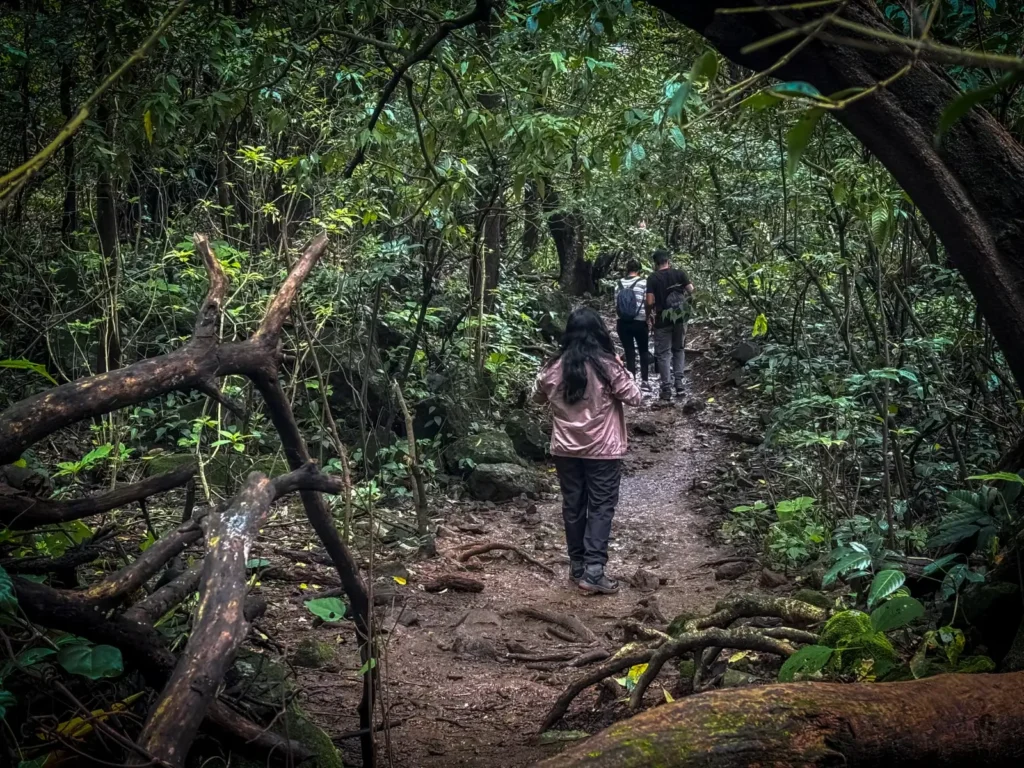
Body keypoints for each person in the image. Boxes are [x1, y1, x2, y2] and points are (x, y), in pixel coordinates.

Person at [533, 307, 642, 594]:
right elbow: (635, 397)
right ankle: (594, 571)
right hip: (603, 450)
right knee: (601, 507)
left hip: (565, 450)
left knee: (573, 506)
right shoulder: (607, 366)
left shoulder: (552, 367)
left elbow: (536, 398)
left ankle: (578, 566)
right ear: (598, 334)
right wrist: (621, 366)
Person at [646, 248, 694, 401]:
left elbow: (650, 301)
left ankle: (666, 388)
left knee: (664, 353)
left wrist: (649, 316)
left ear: (655, 263)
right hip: (680, 319)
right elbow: (691, 290)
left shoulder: (652, 278)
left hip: (662, 320)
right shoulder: (679, 273)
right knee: (679, 349)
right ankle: (679, 384)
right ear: (668, 261)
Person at [614, 258, 651, 392]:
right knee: (643, 351)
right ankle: (645, 382)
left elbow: (616, 304)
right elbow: (648, 302)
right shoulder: (644, 283)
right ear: (639, 269)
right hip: (640, 322)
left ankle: (632, 383)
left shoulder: (618, 284)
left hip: (623, 323)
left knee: (629, 352)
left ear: (627, 269)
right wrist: (648, 317)